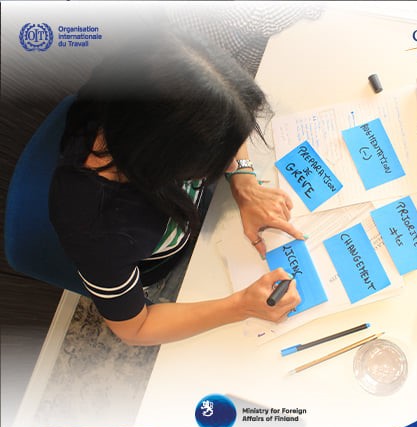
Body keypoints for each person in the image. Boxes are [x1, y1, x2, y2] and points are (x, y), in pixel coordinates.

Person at [49, 32, 303, 346]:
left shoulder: (152, 77)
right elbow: (135, 329)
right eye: (215, 160)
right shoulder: (97, 228)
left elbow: (225, 119)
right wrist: (241, 306)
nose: (229, 164)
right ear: (164, 161)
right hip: (161, 263)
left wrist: (245, 183)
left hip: (190, 218)